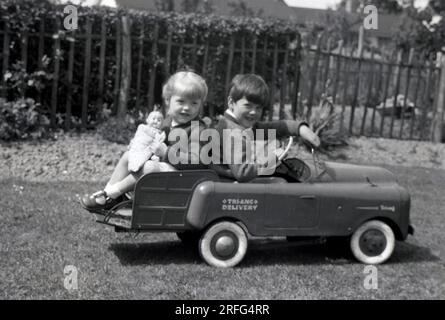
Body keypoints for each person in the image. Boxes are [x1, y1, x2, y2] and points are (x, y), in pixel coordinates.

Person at [81, 70, 208, 210]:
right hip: (166, 172)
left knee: (149, 167)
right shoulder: (166, 123)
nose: (186, 108)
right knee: (129, 156)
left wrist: (166, 153)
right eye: (181, 101)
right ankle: (109, 196)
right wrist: (139, 145)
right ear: (168, 100)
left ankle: (114, 193)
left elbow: (197, 161)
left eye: (194, 103)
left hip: (183, 180)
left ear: (200, 104)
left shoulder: (198, 129)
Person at [210, 73, 320, 182]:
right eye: (248, 106)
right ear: (231, 103)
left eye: (258, 108)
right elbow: (243, 172)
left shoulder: (236, 124)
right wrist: (273, 157)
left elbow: (273, 127)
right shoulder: (233, 132)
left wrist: (299, 128)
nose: (253, 112)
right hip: (227, 185)